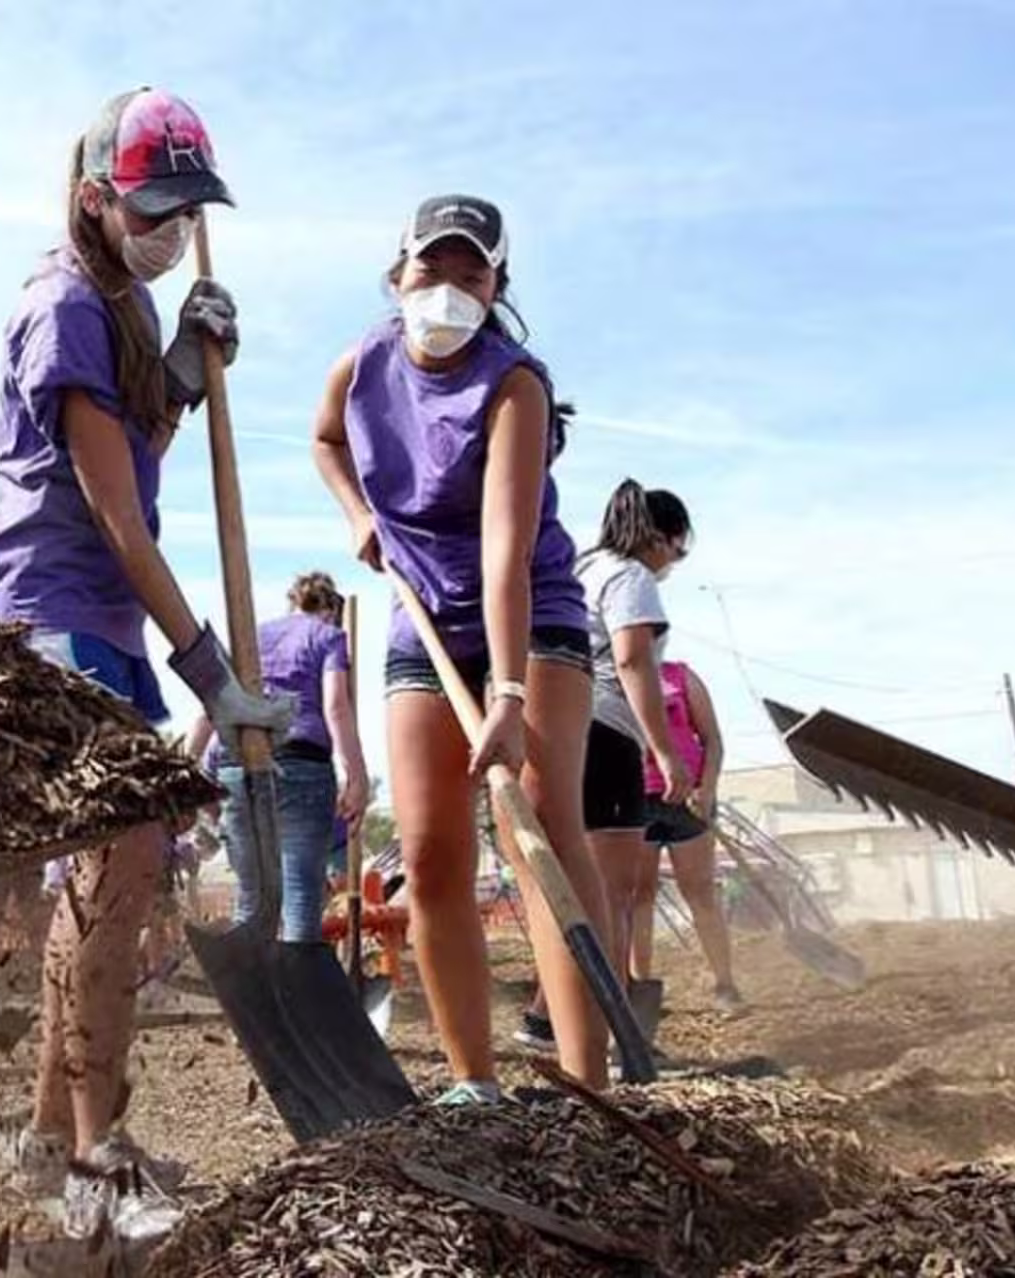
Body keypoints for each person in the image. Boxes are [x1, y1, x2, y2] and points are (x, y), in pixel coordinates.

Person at [0, 86, 292, 1241]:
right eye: (153, 208)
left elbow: (144, 448)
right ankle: (95, 1157)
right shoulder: (63, 306)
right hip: (56, 612)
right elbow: (117, 514)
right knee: (115, 875)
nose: (170, 228)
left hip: (98, 616)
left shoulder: (121, 308)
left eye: (188, 210)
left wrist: (191, 366)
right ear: (94, 200)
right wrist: (211, 669)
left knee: (107, 886)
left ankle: (53, 1137)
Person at [313, 195, 613, 1097]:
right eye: (429, 270)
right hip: (422, 618)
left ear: (497, 285)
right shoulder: (364, 362)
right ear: (397, 274)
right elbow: (327, 440)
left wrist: (512, 696)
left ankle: (588, 1085)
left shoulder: (514, 383)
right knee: (434, 849)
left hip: (530, 616)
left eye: (470, 274)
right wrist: (361, 515)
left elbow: (504, 550)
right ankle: (472, 1081)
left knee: (542, 837)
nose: (447, 289)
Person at [189, 571, 370, 942]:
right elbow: (336, 707)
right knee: (301, 896)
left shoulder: (250, 637)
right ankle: (296, 995)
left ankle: (249, 994)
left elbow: (213, 703)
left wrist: (189, 765)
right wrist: (357, 775)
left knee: (250, 898)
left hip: (236, 763)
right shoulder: (329, 636)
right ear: (331, 609)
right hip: (300, 763)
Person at [575, 481, 695, 980]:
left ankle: (550, 1020)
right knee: (612, 892)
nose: (675, 562)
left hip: (564, 728)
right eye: (679, 549)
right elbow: (631, 659)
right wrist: (664, 753)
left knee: (578, 889)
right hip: (607, 733)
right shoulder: (631, 576)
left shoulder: (582, 567)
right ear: (660, 539)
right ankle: (611, 1023)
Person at [631, 661, 741, 1009]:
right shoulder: (607, 677)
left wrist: (707, 788)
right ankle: (640, 988)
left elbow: (713, 741)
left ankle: (725, 984)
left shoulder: (680, 676)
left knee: (701, 892)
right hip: (635, 800)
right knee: (638, 898)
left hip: (689, 798)